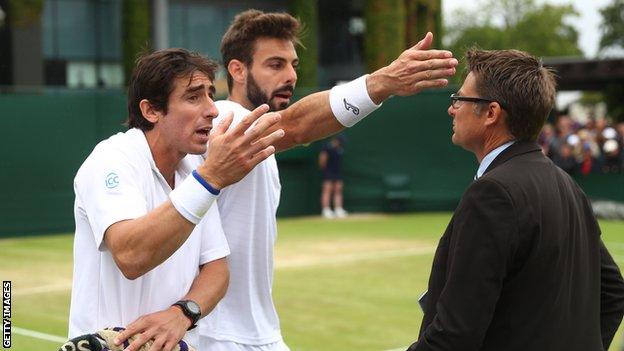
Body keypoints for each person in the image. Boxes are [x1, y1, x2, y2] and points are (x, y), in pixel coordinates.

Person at [199, 9, 458, 351]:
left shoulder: (254, 137)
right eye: (275, 65)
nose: (290, 75)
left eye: (293, 64)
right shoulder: (226, 118)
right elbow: (296, 126)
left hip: (253, 334)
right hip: (220, 337)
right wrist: (381, 83)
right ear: (237, 70)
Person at [69, 48, 285, 351]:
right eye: (194, 97)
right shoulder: (112, 159)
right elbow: (132, 255)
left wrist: (183, 313)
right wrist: (209, 179)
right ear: (151, 111)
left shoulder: (193, 171)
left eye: (211, 94)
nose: (212, 109)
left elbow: (217, 270)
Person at [408, 49, 624, 350]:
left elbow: (455, 335)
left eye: (460, 99)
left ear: (492, 113)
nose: (452, 108)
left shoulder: (492, 193)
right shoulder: (566, 184)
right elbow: (613, 291)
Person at [319, 135, 347, 218]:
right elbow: (322, 161)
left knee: (338, 190)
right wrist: (325, 171)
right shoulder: (327, 148)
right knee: (327, 190)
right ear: (336, 141)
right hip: (328, 172)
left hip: (337, 172)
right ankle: (326, 210)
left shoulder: (340, 148)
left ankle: (338, 209)